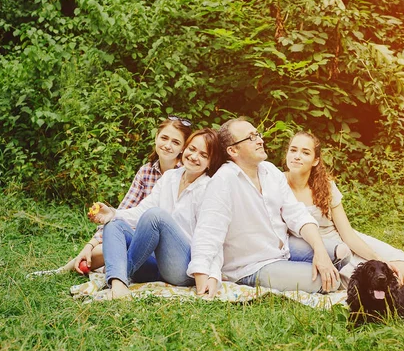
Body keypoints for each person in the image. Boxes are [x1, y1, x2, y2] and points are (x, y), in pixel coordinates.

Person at [187, 118, 340, 299]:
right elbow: (208, 233)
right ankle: (323, 274)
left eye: (257, 134)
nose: (260, 140)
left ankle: (322, 266)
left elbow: (297, 215)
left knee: (340, 253)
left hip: (281, 249)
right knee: (329, 280)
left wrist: (320, 253)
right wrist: (203, 280)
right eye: (251, 137)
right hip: (252, 265)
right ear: (233, 150)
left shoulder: (270, 171)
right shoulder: (223, 180)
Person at [89, 128, 224, 299]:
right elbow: (142, 211)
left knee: (156, 216)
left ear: (211, 162)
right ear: (185, 149)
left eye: (204, 155)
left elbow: (212, 237)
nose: (194, 156)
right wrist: (113, 213)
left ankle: (120, 274)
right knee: (114, 224)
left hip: (182, 268)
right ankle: (118, 285)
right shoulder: (169, 178)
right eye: (192, 149)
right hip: (154, 264)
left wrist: (212, 276)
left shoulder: (209, 188)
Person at [284, 131, 404, 288]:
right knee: (362, 281)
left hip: (343, 241)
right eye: (293, 150)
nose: (297, 156)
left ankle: (380, 271)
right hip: (317, 250)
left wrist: (378, 259)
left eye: (305, 152)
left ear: (315, 161)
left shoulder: (326, 186)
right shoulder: (275, 183)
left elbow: (347, 234)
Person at [66, 116, 192, 275]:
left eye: (175, 142)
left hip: (170, 251)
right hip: (138, 238)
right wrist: (90, 244)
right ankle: (63, 271)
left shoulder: (186, 175)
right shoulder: (146, 171)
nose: (167, 145)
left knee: (109, 248)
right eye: (164, 138)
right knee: (110, 237)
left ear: (183, 148)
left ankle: (74, 271)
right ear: (156, 138)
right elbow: (124, 211)